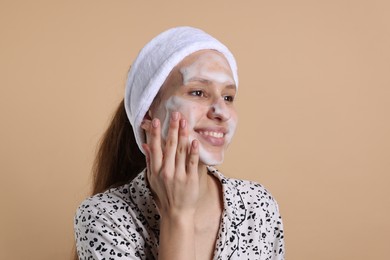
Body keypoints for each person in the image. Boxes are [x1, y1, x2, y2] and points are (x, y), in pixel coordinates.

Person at [74, 26, 285, 260]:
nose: (221, 111)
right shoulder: (104, 217)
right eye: (198, 92)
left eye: (228, 97)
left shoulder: (258, 206)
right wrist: (179, 215)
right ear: (146, 114)